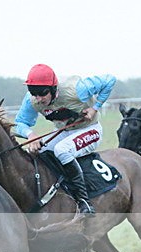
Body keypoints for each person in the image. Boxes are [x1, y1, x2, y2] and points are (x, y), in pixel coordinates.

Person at [13, 64, 117, 217]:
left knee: (62, 150)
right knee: (38, 149)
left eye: (42, 93)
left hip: (90, 130)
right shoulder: (31, 100)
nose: (38, 99)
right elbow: (20, 123)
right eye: (33, 93)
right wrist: (31, 135)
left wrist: (95, 107)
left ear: (54, 89)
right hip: (64, 132)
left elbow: (110, 80)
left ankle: (84, 201)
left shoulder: (77, 89)